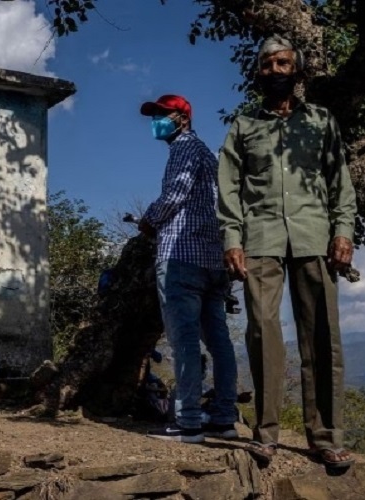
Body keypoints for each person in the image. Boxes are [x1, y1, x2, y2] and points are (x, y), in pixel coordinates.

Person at [217, 35, 358, 468]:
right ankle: (266, 433)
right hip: (259, 241)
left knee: (322, 338)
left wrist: (343, 230)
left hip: (315, 239)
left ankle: (325, 437)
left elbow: (340, 181)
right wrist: (232, 240)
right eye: (267, 65)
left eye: (283, 63)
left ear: (296, 71)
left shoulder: (321, 121)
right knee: (262, 331)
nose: (275, 70)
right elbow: (229, 189)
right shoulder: (243, 126)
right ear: (258, 73)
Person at [138, 94, 240, 443]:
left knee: (183, 341)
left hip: (181, 256)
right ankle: (225, 417)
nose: (157, 122)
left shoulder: (183, 148)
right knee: (219, 342)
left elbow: (175, 194)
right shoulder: (209, 156)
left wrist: (149, 221)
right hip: (213, 260)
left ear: (182, 118)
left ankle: (188, 421)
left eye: (163, 115)